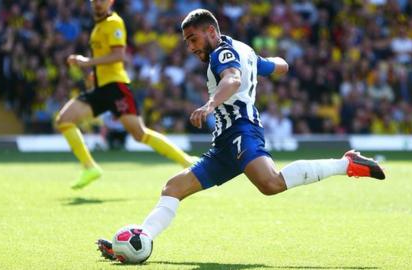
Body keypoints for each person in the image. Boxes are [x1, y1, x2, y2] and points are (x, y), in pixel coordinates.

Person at [96, 9, 386, 260]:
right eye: (187, 42)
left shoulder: (222, 53)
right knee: (172, 188)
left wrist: (211, 103)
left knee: (271, 183)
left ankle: (346, 164)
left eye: (193, 39)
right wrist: (280, 64)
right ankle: (139, 239)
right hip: (224, 143)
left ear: (211, 31)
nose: (190, 47)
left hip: (240, 131)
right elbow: (277, 66)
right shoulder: (244, 49)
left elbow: (232, 78)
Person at [56, 0, 195, 190]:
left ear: (110, 2)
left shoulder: (114, 23)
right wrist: (94, 74)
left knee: (139, 134)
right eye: (95, 0)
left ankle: (186, 160)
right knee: (64, 120)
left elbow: (119, 56)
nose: (98, 3)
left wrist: (86, 62)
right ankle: (90, 168)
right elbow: (106, 60)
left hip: (116, 88)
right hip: (101, 87)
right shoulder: (98, 27)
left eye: (102, 0)